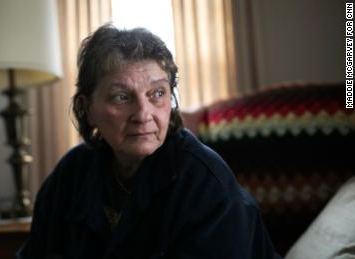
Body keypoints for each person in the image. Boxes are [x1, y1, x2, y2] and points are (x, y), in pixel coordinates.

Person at [17, 24, 281, 259]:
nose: (143, 115)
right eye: (121, 97)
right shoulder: (70, 175)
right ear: (87, 108)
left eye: (157, 93)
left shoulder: (205, 181)